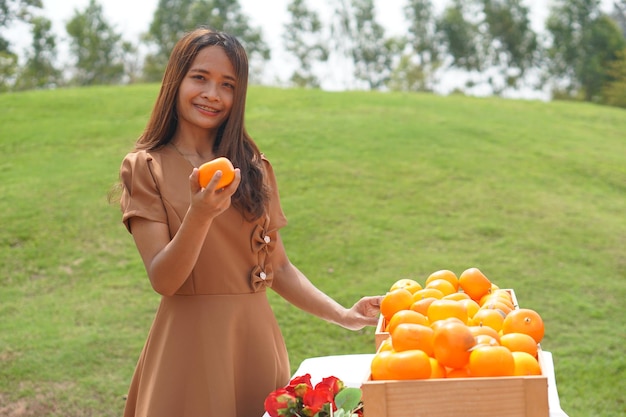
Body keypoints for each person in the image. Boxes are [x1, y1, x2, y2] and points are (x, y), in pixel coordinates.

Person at [117, 27, 382, 417]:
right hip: (188, 351)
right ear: (176, 79)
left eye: (227, 85)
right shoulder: (145, 167)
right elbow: (164, 279)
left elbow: (279, 268)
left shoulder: (254, 169)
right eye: (200, 78)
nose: (212, 94)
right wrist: (200, 214)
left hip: (257, 344)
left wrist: (343, 315)